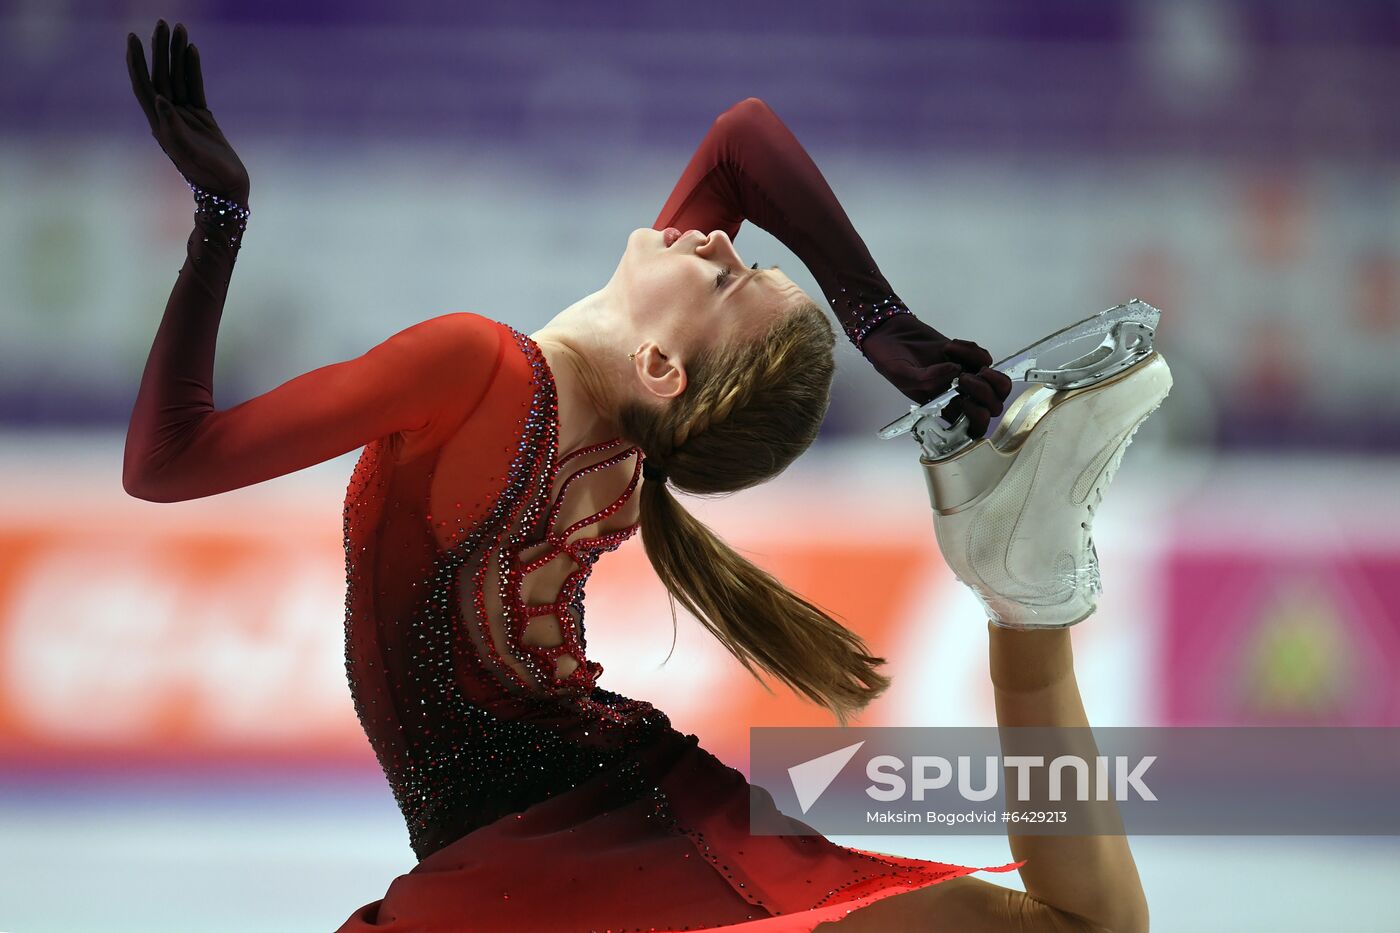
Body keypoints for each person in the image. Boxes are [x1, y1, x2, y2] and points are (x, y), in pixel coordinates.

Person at [123, 19, 1149, 932]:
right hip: (621, 812)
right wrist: (879, 319)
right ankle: (1026, 608)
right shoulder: (625, 436)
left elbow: (169, 463)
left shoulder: (476, 369)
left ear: (663, 365)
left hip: (538, 867)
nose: (712, 235)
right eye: (737, 259)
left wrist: (220, 222)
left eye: (724, 276)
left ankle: (1025, 599)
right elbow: (743, 143)